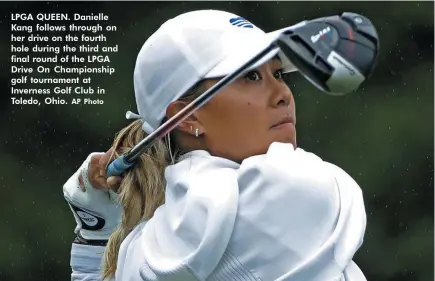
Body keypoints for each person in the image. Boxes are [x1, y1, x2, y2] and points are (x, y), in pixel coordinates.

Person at [63, 9, 367, 281]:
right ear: (187, 117)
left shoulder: (146, 247)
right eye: (251, 76)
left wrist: (97, 233)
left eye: (276, 73)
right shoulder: (280, 188)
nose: (283, 94)